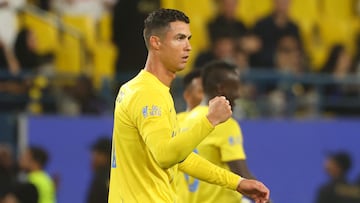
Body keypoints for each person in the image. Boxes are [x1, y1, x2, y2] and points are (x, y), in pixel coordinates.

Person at [108, 8, 270, 203]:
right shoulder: (147, 93)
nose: (188, 46)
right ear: (155, 42)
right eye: (179, 38)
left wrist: (237, 183)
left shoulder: (141, 89)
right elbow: (165, 155)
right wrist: (210, 120)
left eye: (188, 38)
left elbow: (181, 157)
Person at [179, 60, 257, 203]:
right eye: (235, 87)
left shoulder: (184, 120)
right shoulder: (224, 123)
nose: (239, 94)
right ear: (221, 89)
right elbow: (241, 174)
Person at [250, 0, 303, 68]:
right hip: (264, 73)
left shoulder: (294, 28)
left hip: (289, 74)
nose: (283, 3)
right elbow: (254, 53)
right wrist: (276, 58)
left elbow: (300, 55)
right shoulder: (261, 25)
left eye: (286, 1)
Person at [86, 137, 111, 203]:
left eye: (98, 153)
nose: (93, 157)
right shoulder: (117, 176)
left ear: (107, 156)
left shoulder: (101, 179)